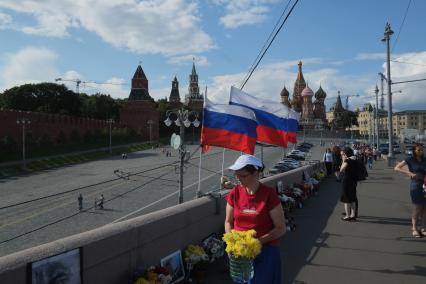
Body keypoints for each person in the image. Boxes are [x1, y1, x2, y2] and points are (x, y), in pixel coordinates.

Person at [224, 154, 285, 284]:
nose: (238, 179)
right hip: (240, 253)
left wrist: (257, 242)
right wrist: (232, 244)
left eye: (243, 176)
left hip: (265, 250)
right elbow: (228, 222)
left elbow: (280, 228)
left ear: (255, 173)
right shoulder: (234, 193)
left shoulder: (269, 194)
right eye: (236, 175)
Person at [394, 143, 426, 238]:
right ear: (414, 151)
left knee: (425, 208)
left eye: (422, 149)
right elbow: (396, 168)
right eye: (419, 149)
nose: (421, 151)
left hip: (425, 185)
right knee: (417, 208)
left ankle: (423, 228)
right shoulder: (410, 159)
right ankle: (414, 228)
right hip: (416, 185)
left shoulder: (425, 160)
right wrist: (409, 173)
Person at [339, 147, 358, 221]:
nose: (343, 155)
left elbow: (341, 169)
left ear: (347, 153)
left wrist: (343, 160)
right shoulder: (355, 159)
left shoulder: (348, 160)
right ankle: (353, 215)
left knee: (346, 198)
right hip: (353, 180)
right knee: (353, 198)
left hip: (347, 180)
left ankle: (347, 216)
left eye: (344, 153)